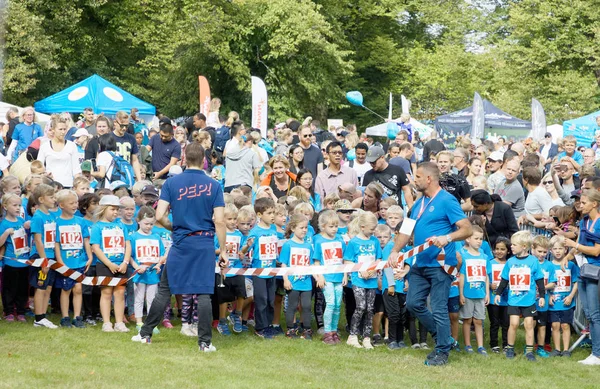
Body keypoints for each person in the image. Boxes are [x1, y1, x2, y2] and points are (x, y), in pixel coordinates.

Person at [132, 143, 227, 352]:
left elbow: (159, 216)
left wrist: (175, 228)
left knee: (164, 290)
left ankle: (145, 334)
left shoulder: (171, 183)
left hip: (181, 242)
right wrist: (224, 250)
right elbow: (219, 221)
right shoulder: (214, 185)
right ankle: (204, 342)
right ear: (204, 160)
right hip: (203, 243)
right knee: (203, 293)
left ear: (183, 159)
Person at [389, 162, 472, 366]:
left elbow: (467, 229)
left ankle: (442, 351)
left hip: (441, 264)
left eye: (417, 177)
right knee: (413, 303)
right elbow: (406, 231)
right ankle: (443, 337)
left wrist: (448, 238)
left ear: (429, 179)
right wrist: (395, 251)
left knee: (438, 307)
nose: (413, 180)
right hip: (420, 263)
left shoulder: (447, 200)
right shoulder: (419, 203)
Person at [493, 231, 546, 361]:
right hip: (514, 300)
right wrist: (498, 293)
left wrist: (543, 296)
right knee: (514, 323)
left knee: (529, 324)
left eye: (514, 245)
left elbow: (539, 279)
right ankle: (510, 349)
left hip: (529, 300)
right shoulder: (510, 262)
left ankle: (529, 351)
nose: (511, 247)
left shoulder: (533, 261)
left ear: (523, 246)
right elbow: (504, 280)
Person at [562, 189, 600, 365]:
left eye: (584, 203)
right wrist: (568, 256)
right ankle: (595, 351)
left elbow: (596, 250)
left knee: (594, 314)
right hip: (583, 270)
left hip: (595, 271)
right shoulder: (584, 221)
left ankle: (597, 354)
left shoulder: (599, 223)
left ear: (594, 203)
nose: (580, 205)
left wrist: (573, 244)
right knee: (588, 314)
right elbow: (582, 245)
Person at [91, 195, 131, 333]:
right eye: (112, 209)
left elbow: (127, 244)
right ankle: (107, 322)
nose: (115, 212)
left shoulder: (121, 225)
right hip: (104, 264)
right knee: (106, 293)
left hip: (121, 264)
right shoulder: (97, 227)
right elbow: (96, 248)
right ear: (103, 209)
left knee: (120, 293)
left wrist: (125, 262)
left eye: (117, 210)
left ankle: (119, 322)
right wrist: (109, 264)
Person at [344, 212, 382, 349]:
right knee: (360, 306)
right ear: (362, 226)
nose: (373, 232)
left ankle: (366, 337)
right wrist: (360, 270)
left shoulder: (375, 241)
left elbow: (378, 258)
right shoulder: (354, 242)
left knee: (370, 308)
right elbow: (347, 259)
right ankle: (353, 335)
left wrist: (374, 268)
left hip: (371, 280)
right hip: (358, 279)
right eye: (371, 229)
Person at [54, 189, 91, 328]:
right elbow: (56, 244)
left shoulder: (81, 222)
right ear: (62, 205)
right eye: (71, 203)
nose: (75, 205)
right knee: (66, 289)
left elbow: (86, 240)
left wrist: (89, 256)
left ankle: (77, 316)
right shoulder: (57, 222)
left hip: (80, 261)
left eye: (76, 202)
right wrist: (60, 261)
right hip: (65, 262)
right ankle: (65, 317)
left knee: (78, 289)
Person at [280, 214, 319, 339]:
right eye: (301, 227)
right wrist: (285, 279)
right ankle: (291, 329)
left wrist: (317, 277)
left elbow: (311, 264)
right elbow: (284, 264)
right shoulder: (288, 245)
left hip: (306, 282)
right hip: (293, 282)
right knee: (292, 306)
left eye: (306, 228)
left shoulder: (308, 246)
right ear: (293, 228)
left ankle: (307, 329)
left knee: (307, 305)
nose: (304, 230)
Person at [313, 210, 346, 344]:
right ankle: (327, 332)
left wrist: (345, 274)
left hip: (338, 276)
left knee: (338, 305)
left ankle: (334, 330)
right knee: (331, 303)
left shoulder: (340, 239)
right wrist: (319, 277)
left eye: (336, 226)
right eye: (330, 226)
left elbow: (344, 259)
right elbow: (316, 261)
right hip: (326, 277)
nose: (334, 229)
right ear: (323, 226)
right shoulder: (318, 240)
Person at [130, 206, 165, 332]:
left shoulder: (156, 237)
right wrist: (136, 267)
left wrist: (159, 265)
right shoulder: (134, 237)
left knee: (152, 299)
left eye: (151, 224)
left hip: (153, 273)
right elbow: (130, 256)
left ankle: (151, 323)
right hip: (139, 274)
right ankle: (139, 322)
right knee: (138, 298)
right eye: (146, 224)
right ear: (138, 221)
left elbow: (161, 254)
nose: (149, 226)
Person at [29, 184, 59, 329]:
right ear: (41, 199)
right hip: (41, 257)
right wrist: (44, 261)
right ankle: (38, 317)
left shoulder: (52, 216)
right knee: (40, 287)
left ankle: (43, 316)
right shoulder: (38, 217)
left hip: (51, 256)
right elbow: (38, 239)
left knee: (48, 288)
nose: (54, 199)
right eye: (51, 197)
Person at [458, 225, 490, 355]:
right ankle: (468, 344)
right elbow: (462, 276)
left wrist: (487, 293)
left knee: (479, 320)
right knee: (467, 319)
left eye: (481, 239)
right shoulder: (464, 255)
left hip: (480, 293)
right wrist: (461, 294)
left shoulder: (484, 256)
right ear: (468, 239)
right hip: (468, 293)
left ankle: (481, 346)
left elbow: (486, 276)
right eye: (476, 238)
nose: (479, 241)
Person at [0, 193, 30, 322]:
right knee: (9, 289)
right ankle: (9, 311)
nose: (18, 208)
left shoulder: (21, 221)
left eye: (19, 205)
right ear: (5, 206)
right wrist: (6, 233)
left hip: (24, 261)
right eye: (14, 205)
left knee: (22, 288)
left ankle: (21, 310)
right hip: (11, 262)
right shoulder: (4, 224)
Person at [548, 235, 579, 357]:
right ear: (551, 250)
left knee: (565, 325)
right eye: (555, 249)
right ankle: (557, 349)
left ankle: (566, 350)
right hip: (554, 302)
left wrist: (571, 296)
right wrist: (549, 296)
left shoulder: (570, 265)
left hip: (567, 301)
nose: (558, 251)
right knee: (555, 325)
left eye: (560, 248)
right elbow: (545, 283)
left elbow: (576, 282)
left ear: (565, 250)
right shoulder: (549, 265)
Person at [37, 117, 82, 188]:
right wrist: (45, 174)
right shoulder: (44, 146)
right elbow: (38, 166)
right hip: (50, 185)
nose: (63, 132)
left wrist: (79, 184)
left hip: (67, 185)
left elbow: (76, 169)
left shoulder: (72, 145)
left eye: (65, 129)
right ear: (53, 130)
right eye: (60, 129)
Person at [487, 237, 510, 353]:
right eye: (497, 249)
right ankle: (494, 344)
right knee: (494, 323)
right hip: (492, 298)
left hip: (507, 299)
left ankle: (506, 344)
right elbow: (485, 278)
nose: (499, 251)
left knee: (506, 323)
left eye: (502, 249)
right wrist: (490, 285)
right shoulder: (490, 263)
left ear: (508, 251)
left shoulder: (510, 264)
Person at [111, 111, 142, 181]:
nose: (124, 128)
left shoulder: (131, 138)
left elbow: (135, 160)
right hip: (112, 175)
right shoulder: (108, 138)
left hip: (128, 174)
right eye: (122, 125)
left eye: (126, 126)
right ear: (115, 122)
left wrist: (139, 179)